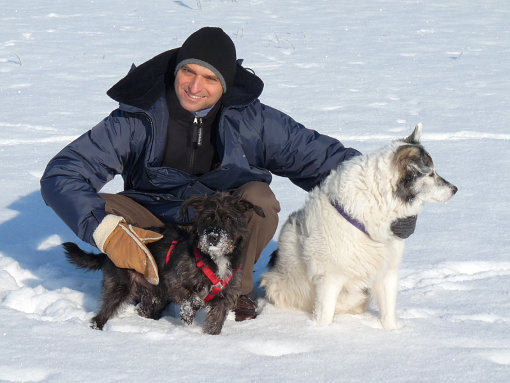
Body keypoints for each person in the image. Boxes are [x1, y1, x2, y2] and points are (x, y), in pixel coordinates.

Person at [40, 27, 416, 322]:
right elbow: (63, 174)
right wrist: (104, 230)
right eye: (188, 71)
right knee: (102, 207)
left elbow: (327, 161)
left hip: (223, 223)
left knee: (259, 198)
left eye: (210, 78)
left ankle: (233, 293)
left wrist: (390, 200)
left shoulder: (254, 120)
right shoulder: (136, 117)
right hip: (157, 224)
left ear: (227, 84)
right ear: (176, 68)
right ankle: (149, 282)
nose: (194, 86)